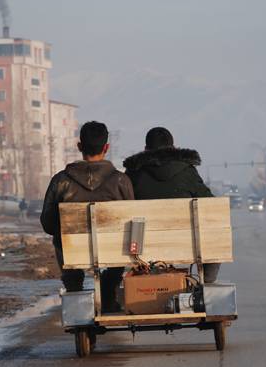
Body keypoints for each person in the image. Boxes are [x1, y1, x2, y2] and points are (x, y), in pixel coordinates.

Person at [41, 121, 134, 312]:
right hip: (113, 249)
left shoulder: (60, 180)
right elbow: (133, 220)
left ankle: (75, 288)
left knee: (62, 241)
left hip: (73, 250)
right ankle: (109, 288)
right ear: (106, 147)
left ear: (79, 146)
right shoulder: (121, 181)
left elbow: (48, 224)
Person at [123, 126, 221, 283]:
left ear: (146, 149)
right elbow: (210, 204)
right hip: (185, 244)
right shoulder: (187, 171)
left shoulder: (133, 174)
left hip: (140, 248)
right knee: (215, 237)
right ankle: (206, 283)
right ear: (173, 148)